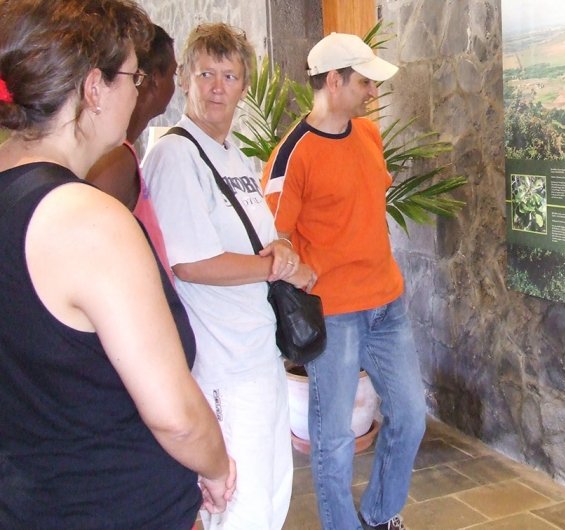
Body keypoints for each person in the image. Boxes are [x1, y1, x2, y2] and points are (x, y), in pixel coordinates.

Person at [0, 1, 235, 528]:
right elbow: (174, 417)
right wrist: (217, 467)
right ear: (92, 88)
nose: (138, 91)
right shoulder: (88, 222)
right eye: (132, 75)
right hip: (116, 506)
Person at [142, 22, 314, 530]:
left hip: (257, 352)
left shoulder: (231, 153)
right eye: (206, 74)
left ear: (244, 84)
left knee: (271, 491)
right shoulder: (175, 155)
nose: (218, 87)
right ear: (185, 82)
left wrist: (280, 247)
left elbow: (256, 233)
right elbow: (190, 262)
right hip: (222, 366)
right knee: (238, 506)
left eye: (230, 75)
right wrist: (275, 267)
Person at [262, 32, 427, 530]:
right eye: (363, 82)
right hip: (333, 314)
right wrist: (298, 266)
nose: (372, 93)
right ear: (333, 82)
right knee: (332, 438)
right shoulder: (292, 154)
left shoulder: (369, 136)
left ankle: (379, 516)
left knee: (411, 416)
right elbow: (272, 239)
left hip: (387, 305)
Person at [86, 24, 177, 279]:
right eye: (173, 75)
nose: (175, 86)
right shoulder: (115, 158)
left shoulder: (124, 150)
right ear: (154, 79)